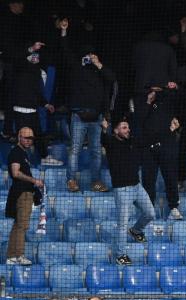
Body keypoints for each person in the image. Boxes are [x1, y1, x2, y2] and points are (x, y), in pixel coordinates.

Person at [58, 18, 116, 193]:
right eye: (87, 55)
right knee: (74, 149)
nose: (89, 58)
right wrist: (63, 31)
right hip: (79, 115)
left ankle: (96, 181)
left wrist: (98, 64)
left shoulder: (100, 71)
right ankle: (71, 180)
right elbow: (64, 50)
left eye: (92, 55)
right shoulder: (76, 67)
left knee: (96, 151)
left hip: (97, 117)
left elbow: (112, 79)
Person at [100, 117, 156, 266]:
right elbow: (104, 140)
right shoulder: (111, 143)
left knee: (151, 213)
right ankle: (120, 255)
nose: (128, 130)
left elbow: (146, 139)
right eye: (124, 128)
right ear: (116, 130)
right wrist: (105, 129)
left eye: (128, 127)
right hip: (122, 190)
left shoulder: (132, 142)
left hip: (137, 187)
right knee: (122, 224)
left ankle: (137, 230)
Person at [133, 85, 182, 220]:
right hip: (148, 148)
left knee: (171, 178)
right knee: (148, 181)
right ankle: (149, 212)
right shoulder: (143, 101)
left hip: (167, 146)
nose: (156, 92)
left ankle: (173, 208)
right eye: (154, 89)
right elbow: (138, 120)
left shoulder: (171, 100)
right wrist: (148, 101)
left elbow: (184, 105)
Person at [5, 126, 43, 265]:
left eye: (31, 138)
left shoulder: (23, 154)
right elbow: (15, 173)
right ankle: (19, 255)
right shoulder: (16, 152)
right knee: (22, 225)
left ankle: (11, 257)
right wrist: (34, 181)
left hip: (23, 192)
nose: (28, 141)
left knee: (17, 225)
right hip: (22, 194)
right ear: (19, 137)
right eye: (26, 138)